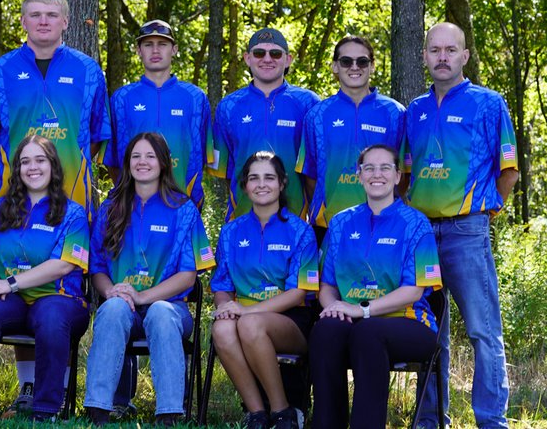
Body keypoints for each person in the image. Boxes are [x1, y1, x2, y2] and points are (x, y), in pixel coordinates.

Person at [0, 0, 109, 403]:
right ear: (22, 21)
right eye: (34, 15)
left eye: (51, 15)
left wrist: (61, 175)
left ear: (66, 22)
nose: (42, 22)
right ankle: (27, 384)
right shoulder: (0, 70)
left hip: (71, 200)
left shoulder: (89, 70)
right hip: (15, 196)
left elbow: (93, 137)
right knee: (16, 278)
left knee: (63, 292)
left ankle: (62, 384)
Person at [407, 23, 518, 429]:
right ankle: (431, 419)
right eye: (434, 50)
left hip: (466, 233)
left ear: (464, 56)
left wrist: (486, 212)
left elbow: (508, 171)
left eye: (450, 50)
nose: (442, 57)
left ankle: (491, 420)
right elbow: (405, 173)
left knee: (483, 330)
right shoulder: (414, 110)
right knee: (430, 334)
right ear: (423, 56)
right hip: (421, 234)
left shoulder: (488, 103)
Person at [84, 132, 214, 426]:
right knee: (113, 309)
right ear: (127, 163)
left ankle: (169, 412)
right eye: (136, 156)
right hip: (123, 306)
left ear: (164, 163)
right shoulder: (110, 208)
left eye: (150, 156)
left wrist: (143, 296)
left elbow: (188, 276)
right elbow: (97, 268)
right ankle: (98, 409)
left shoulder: (183, 210)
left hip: (171, 308)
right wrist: (112, 292)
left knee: (160, 312)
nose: (142, 162)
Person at [309, 144, 443, 429]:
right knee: (325, 330)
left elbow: (414, 291)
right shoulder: (340, 222)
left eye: (385, 168)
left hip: (409, 322)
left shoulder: (417, 224)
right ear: (359, 175)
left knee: (368, 332)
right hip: (354, 321)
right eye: (369, 168)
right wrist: (333, 307)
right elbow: (327, 285)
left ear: (397, 176)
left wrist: (361, 310)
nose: (376, 174)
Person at [0, 135, 90, 421]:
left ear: (53, 166)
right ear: (17, 169)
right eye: (25, 161)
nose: (33, 167)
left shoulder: (73, 213)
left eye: (40, 160)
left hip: (59, 298)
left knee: (51, 317)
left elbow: (63, 265)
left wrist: (9, 283)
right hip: (12, 300)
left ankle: (45, 410)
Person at [209, 152, 319, 429]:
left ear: (282, 184)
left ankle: (283, 413)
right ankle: (257, 414)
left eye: (269, 177)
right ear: (244, 185)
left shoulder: (301, 231)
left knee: (250, 324)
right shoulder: (231, 232)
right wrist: (224, 307)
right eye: (254, 178)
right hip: (244, 316)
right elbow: (222, 285)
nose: (261, 184)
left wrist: (245, 311)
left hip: (290, 319)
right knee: (222, 329)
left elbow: (298, 293)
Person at [297, 35, 404, 240]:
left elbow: (404, 175)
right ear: (335, 67)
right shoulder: (316, 115)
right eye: (346, 61)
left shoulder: (395, 113)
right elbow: (309, 175)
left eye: (362, 61)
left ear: (372, 66)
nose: (354, 67)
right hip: (327, 228)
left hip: (382, 226)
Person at [209, 28, 320, 219]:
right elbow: (226, 171)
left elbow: (315, 170)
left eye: (275, 53)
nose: (267, 59)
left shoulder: (309, 104)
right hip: (243, 223)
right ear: (247, 58)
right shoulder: (228, 106)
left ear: (288, 59)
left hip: (295, 223)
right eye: (259, 53)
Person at [105, 20, 210, 207]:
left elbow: (202, 156)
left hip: (183, 206)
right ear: (138, 50)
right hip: (133, 207)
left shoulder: (195, 98)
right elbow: (113, 159)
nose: (155, 50)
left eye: (162, 44)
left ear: (174, 49)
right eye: (148, 44)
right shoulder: (121, 98)